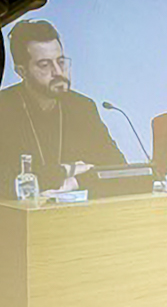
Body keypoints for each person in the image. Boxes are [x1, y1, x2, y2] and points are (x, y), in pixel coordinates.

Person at [0, 19, 125, 192]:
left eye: (60, 62)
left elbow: (116, 167)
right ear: (22, 72)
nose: (58, 72)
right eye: (45, 65)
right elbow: (5, 180)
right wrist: (65, 171)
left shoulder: (82, 107)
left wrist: (76, 182)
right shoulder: (4, 108)